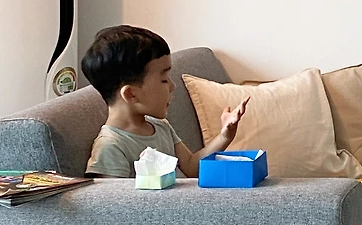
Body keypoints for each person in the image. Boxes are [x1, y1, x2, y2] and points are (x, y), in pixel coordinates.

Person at [82, 25, 248, 178]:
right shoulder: (111, 147)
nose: (172, 86)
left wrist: (225, 136)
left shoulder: (161, 126)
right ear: (131, 94)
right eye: (163, 79)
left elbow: (191, 167)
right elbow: (111, 200)